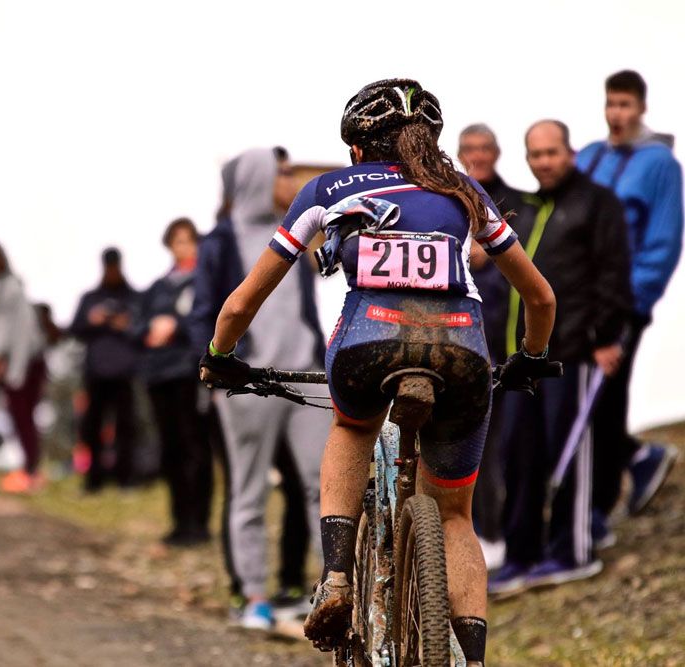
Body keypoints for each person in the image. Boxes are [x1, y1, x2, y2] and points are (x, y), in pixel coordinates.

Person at [199, 80, 558, 667]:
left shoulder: (326, 189)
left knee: (351, 428)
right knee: (454, 515)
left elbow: (240, 304)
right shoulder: (462, 190)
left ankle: (337, 576)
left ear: (359, 148)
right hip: (463, 352)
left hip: (369, 341)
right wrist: (532, 358)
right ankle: (471, 658)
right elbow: (539, 298)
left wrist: (219, 355)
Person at [488, 120, 633, 596]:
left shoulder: (598, 203)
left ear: (569, 151)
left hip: (574, 355)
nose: (544, 162)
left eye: (552, 152)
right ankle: (521, 556)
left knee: (568, 454)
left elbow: (614, 273)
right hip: (523, 363)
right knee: (519, 459)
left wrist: (607, 337)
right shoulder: (529, 212)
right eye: (535, 155)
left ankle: (572, 552)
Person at [191, 146, 331, 631]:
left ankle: (337, 592)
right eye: (284, 172)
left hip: (306, 379)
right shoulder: (219, 242)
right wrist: (218, 367)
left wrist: (320, 349)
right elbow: (204, 310)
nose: (291, 181)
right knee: (249, 491)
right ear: (258, 177)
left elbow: (305, 306)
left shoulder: (291, 235)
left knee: (324, 486)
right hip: (245, 385)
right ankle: (252, 596)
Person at [576, 71, 683, 532]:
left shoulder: (660, 165)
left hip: (622, 302)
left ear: (640, 107)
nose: (616, 113)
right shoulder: (589, 156)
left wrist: (635, 302)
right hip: (576, 300)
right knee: (575, 397)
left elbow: (663, 240)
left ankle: (597, 511)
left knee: (604, 396)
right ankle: (639, 456)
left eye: (624, 104)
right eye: (610, 104)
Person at [457, 123, 526, 564]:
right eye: (470, 149)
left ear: (497, 152)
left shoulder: (516, 204)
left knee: (504, 444)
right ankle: (474, 535)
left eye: (485, 148)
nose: (478, 156)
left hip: (507, 346)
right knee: (468, 443)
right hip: (463, 342)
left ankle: (499, 535)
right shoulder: (450, 200)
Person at [134, 217, 212, 546]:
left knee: (194, 446)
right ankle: (179, 521)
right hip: (158, 375)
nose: (183, 247)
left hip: (188, 374)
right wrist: (149, 331)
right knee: (169, 449)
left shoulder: (204, 282)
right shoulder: (157, 287)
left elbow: (208, 321)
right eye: (177, 241)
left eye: (188, 240)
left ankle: (199, 523)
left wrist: (176, 327)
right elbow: (135, 326)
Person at [0, 240, 47, 493]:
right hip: (19, 361)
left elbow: (12, 331)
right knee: (18, 416)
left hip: (23, 361)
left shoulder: (9, 287)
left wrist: (0, 358)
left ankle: (31, 472)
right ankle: (28, 468)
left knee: (23, 416)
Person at [70, 248, 140, 492]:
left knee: (125, 428)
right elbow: (74, 329)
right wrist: (92, 320)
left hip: (124, 373)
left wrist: (126, 325)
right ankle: (94, 479)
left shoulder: (133, 297)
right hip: (96, 373)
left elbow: (142, 331)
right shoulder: (91, 298)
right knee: (92, 427)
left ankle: (125, 478)